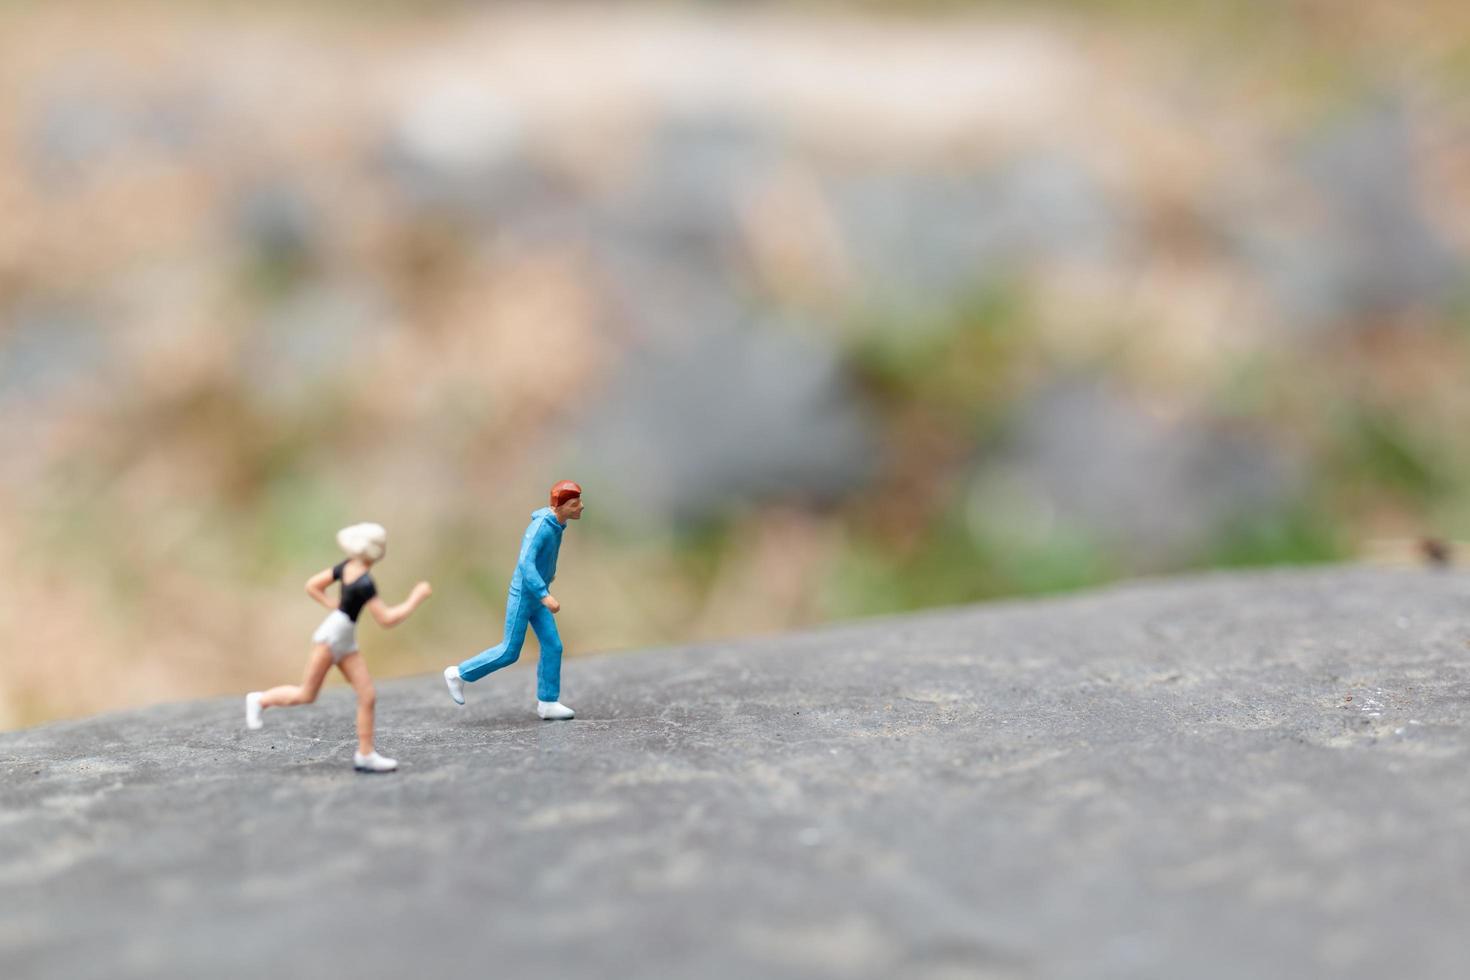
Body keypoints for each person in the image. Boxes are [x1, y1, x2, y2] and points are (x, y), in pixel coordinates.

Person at [245, 523, 432, 772]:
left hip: (345, 639)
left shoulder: (346, 567)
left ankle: (365, 754)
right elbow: (386, 619)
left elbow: (313, 585)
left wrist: (333, 605)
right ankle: (260, 700)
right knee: (306, 694)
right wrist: (415, 599)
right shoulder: (364, 582)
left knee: (367, 695)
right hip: (332, 638)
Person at [444, 481, 583, 719]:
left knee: (553, 646)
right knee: (509, 651)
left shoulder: (559, 524)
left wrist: (549, 575)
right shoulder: (541, 528)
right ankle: (459, 674)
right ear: (560, 506)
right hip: (526, 595)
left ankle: (548, 701)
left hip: (539, 595)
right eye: (574, 504)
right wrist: (543, 593)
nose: (581, 507)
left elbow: (544, 559)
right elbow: (525, 563)